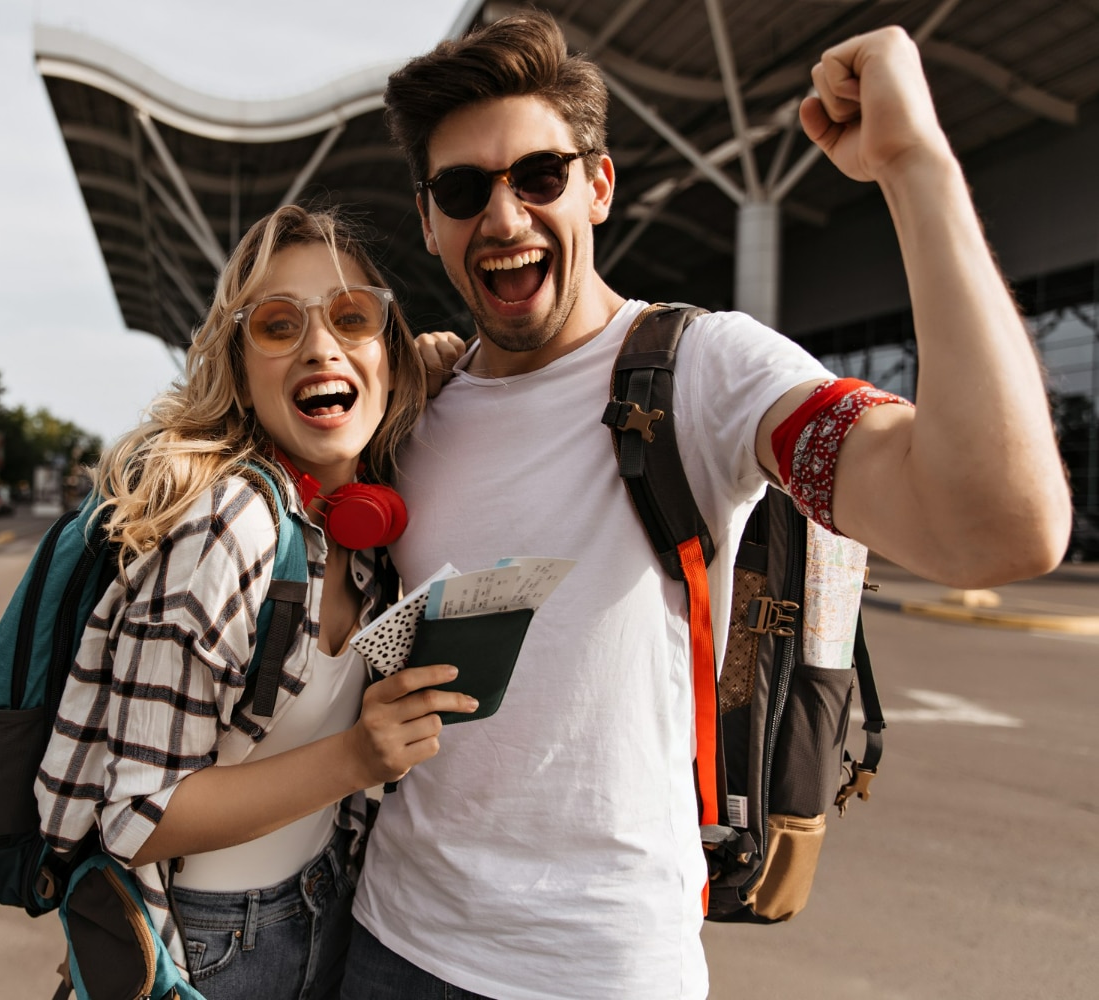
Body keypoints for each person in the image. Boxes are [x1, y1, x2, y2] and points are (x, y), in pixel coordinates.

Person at [342, 12, 1070, 1000]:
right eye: (465, 191)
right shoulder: (410, 404)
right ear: (430, 221)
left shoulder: (704, 372)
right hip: (393, 941)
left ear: (598, 185)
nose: (505, 218)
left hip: (606, 968)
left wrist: (914, 162)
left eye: (540, 177)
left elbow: (999, 525)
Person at [33, 204, 477, 1000]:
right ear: (239, 370)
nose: (320, 345)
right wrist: (357, 759)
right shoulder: (227, 525)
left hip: (327, 901)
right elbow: (134, 816)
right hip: (208, 944)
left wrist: (431, 366)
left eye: (352, 317)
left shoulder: (359, 525)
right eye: (277, 326)